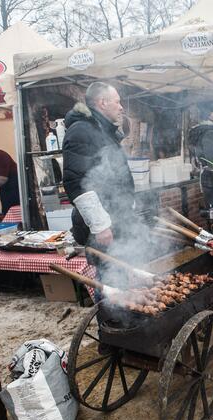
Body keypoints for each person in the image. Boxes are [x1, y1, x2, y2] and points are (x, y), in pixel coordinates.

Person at [62, 82, 142, 276]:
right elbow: (76, 181)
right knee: (109, 278)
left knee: (121, 274)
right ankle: (106, 306)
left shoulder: (102, 130)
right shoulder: (81, 131)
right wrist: (100, 225)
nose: (121, 107)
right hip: (103, 226)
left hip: (117, 218)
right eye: (117, 102)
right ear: (102, 102)